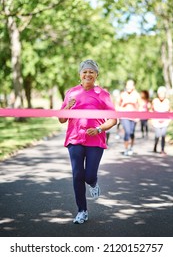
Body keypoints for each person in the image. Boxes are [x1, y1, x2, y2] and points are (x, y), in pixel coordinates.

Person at [59, 59, 117, 224]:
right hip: (74, 138)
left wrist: (99, 129)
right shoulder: (71, 92)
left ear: (96, 75)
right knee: (77, 174)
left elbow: (113, 120)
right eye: (85, 71)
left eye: (91, 71)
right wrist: (67, 108)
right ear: (80, 74)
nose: (88, 74)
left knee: (89, 175)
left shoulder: (103, 94)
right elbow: (61, 119)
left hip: (95, 140)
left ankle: (93, 182)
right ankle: (82, 210)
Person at [118, 79, 140, 156]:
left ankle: (131, 147)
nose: (129, 87)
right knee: (127, 132)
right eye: (128, 85)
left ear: (133, 86)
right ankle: (126, 149)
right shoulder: (123, 94)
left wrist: (138, 116)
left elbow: (139, 106)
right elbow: (118, 105)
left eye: (131, 85)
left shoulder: (137, 95)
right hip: (124, 116)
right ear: (126, 86)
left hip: (134, 117)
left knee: (131, 133)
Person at [151, 86, 170, 155]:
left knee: (163, 135)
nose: (161, 95)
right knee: (157, 135)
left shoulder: (167, 101)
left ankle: (162, 149)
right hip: (156, 122)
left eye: (163, 94)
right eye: (160, 94)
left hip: (164, 122)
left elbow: (168, 111)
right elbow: (152, 110)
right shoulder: (155, 101)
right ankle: (155, 146)